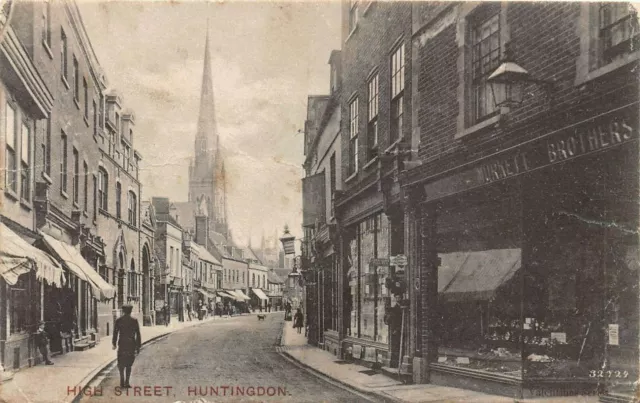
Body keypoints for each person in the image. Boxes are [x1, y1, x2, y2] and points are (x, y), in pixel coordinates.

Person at [112, 304, 142, 388]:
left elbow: (115, 333)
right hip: (131, 344)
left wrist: (114, 343)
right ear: (131, 311)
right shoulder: (134, 320)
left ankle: (122, 380)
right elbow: (138, 334)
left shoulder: (119, 320)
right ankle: (127, 382)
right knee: (129, 364)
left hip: (122, 344)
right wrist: (138, 346)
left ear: (123, 311)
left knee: (121, 362)